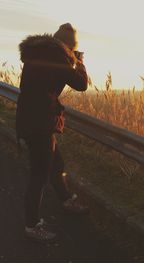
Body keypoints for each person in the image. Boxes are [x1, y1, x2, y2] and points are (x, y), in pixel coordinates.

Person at [16, 23, 89, 242]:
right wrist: (80, 62)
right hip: (40, 123)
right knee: (39, 175)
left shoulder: (37, 52)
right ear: (69, 46)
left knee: (55, 164)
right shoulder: (58, 57)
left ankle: (66, 199)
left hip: (29, 119)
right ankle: (32, 225)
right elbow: (81, 84)